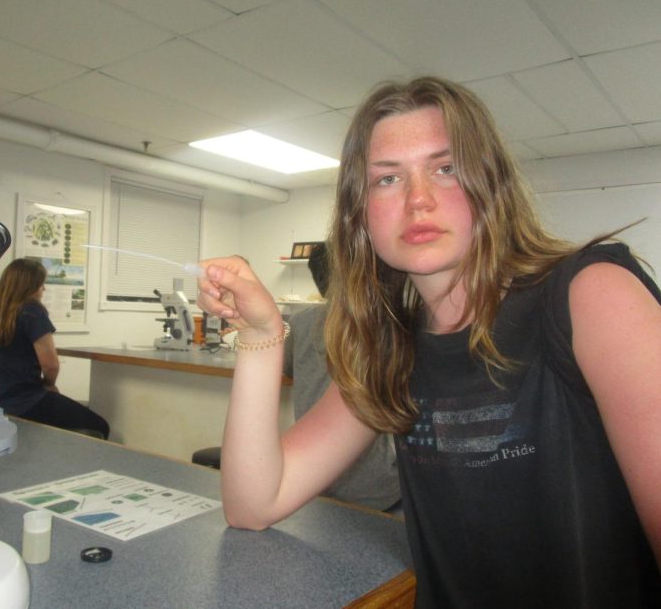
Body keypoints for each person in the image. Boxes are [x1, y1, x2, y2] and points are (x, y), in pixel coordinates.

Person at [197, 77, 660, 607]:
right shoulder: (392, 346)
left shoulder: (591, 293)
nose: (419, 200)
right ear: (360, 214)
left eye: (446, 169)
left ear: (493, 186)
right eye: (388, 179)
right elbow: (254, 503)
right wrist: (261, 335)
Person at [284, 242, 400, 511]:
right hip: (375, 486)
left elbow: (288, 368)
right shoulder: (388, 323)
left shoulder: (301, 322)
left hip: (312, 478)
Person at [0, 258, 110, 439]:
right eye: (41, 284)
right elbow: (50, 365)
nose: (43, 289)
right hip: (24, 402)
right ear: (30, 286)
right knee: (99, 426)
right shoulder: (32, 311)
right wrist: (49, 384)